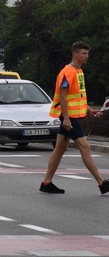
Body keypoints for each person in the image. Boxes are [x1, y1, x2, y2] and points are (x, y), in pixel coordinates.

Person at [40, 41, 109, 194]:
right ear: (75, 54)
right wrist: (66, 118)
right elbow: (63, 98)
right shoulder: (68, 72)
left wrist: (89, 109)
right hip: (70, 118)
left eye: (88, 54)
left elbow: (77, 97)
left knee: (60, 148)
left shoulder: (79, 72)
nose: (87, 56)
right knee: (85, 147)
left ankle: (46, 183)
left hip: (73, 116)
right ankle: (102, 183)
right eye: (84, 53)